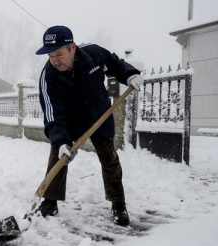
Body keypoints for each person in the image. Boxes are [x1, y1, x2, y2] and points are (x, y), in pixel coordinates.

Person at [35, 25, 144, 226]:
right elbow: (52, 115)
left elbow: (115, 64)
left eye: (59, 54)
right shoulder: (48, 77)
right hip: (69, 121)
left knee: (109, 158)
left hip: (99, 114)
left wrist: (130, 74)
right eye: (51, 56)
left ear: (72, 47)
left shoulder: (93, 54)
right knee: (58, 156)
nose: (55, 60)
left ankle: (118, 203)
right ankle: (50, 201)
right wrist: (60, 142)